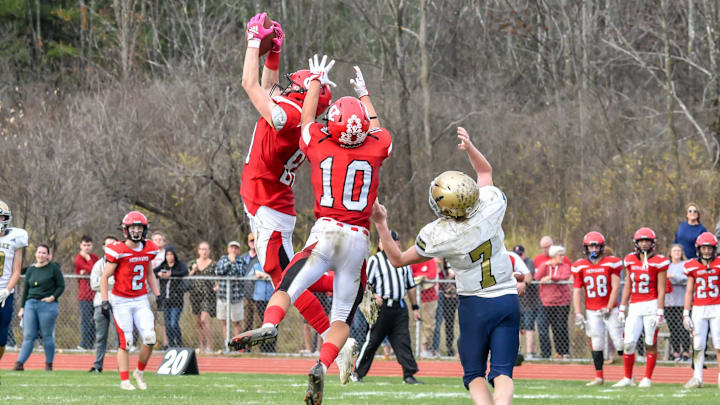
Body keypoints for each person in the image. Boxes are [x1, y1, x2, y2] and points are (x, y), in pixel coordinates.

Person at [233, 55, 391, 403]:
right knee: (341, 321)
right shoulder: (377, 146)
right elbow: (378, 131)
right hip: (358, 240)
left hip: (324, 231)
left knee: (286, 283)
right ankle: (322, 362)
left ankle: (272, 324)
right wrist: (365, 96)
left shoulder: (319, 141)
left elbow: (305, 118)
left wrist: (317, 78)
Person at [371, 126, 521, 405]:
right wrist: (470, 148)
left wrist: (381, 224)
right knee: (503, 374)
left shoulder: (440, 236)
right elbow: (485, 173)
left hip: (475, 305)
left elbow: (398, 259)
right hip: (507, 299)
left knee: (474, 375)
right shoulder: (491, 205)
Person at [239, 13, 335, 343]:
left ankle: (333, 338)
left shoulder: (292, 115)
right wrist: (274, 51)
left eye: (296, 82)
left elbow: (250, 85)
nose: (289, 82)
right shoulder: (294, 110)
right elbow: (267, 87)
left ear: (303, 92)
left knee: (287, 280)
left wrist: (254, 42)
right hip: (269, 200)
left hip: (268, 204)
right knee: (291, 275)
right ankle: (351, 285)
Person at [351, 230, 423, 384]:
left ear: (397, 243)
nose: (388, 244)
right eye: (384, 241)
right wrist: (374, 295)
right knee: (373, 341)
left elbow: (410, 286)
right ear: (380, 244)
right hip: (381, 308)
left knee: (403, 341)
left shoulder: (404, 261)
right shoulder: (375, 260)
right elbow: (365, 282)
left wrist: (415, 307)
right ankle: (357, 372)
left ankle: (408, 375)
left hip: (399, 307)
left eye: (392, 241)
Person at [100, 211, 160, 390]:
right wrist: (104, 300)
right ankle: (124, 380)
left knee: (150, 338)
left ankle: (139, 372)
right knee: (125, 341)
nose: (136, 230)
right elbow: (104, 277)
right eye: (133, 227)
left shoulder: (149, 248)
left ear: (145, 229)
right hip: (121, 301)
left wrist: (157, 294)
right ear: (126, 229)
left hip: (141, 299)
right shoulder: (118, 250)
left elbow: (149, 273)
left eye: (139, 227)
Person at [613, 227, 669, 388]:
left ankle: (647, 378)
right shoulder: (630, 259)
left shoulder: (659, 261)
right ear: (636, 243)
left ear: (653, 243)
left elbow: (661, 288)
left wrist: (660, 311)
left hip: (651, 305)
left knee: (650, 342)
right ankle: (628, 377)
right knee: (628, 342)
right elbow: (628, 286)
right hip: (635, 305)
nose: (644, 244)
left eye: (647, 241)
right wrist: (622, 307)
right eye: (641, 241)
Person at [571, 232, 624, 386]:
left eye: (596, 245)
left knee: (620, 343)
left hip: (610, 309)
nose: (593, 248)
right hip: (592, 310)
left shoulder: (611, 263)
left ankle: (629, 376)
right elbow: (577, 290)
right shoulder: (580, 265)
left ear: (602, 247)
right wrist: (578, 313)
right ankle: (599, 377)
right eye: (591, 245)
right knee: (596, 342)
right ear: (585, 247)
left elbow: (615, 288)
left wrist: (609, 307)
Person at [13, 244, 64, 371]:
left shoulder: (53, 268)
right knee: (29, 335)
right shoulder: (31, 269)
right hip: (30, 304)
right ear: (35, 254)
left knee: (47, 335)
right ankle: (19, 363)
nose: (41, 255)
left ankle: (48, 364)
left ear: (48, 255)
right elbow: (26, 289)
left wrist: (52, 297)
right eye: (39, 252)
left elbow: (61, 286)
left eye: (44, 253)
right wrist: (22, 307)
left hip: (47, 305)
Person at [682, 232, 720, 389]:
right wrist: (686, 313)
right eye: (704, 248)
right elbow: (689, 291)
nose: (707, 251)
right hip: (698, 308)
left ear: (714, 248)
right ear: (698, 249)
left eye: (709, 248)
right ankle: (697, 377)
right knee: (698, 344)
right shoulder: (692, 266)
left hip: (717, 307)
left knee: (719, 344)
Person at [533, 236, 570, 358]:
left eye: (563, 255)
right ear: (554, 256)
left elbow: (564, 276)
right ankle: (550, 354)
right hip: (547, 301)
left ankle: (563, 352)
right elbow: (537, 277)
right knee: (547, 328)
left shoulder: (565, 265)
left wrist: (551, 278)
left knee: (560, 327)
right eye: (560, 255)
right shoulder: (546, 265)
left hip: (562, 302)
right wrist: (545, 265)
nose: (562, 257)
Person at [0, 200, 27, 363]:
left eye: (1, 217)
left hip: (5, 293)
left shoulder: (16, 238)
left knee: (2, 338)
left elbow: (16, 271)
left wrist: (5, 291)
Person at [89, 235, 119, 372]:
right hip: (100, 304)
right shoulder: (98, 265)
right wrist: (110, 281)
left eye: (113, 245)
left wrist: (104, 280)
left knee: (120, 337)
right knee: (100, 337)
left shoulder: (122, 263)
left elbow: (123, 283)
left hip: (118, 304)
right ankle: (97, 366)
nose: (110, 247)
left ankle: (121, 366)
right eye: (108, 245)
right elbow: (94, 284)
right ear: (103, 247)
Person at [154, 246, 188, 348]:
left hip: (177, 300)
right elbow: (153, 272)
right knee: (168, 324)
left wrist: (171, 274)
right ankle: (171, 345)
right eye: (167, 254)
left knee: (174, 323)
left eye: (171, 254)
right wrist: (159, 274)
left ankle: (179, 343)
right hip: (165, 300)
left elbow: (185, 272)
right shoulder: (163, 265)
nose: (169, 257)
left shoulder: (179, 265)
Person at [215, 241, 247, 344]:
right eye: (232, 248)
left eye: (236, 248)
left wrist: (233, 263)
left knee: (236, 323)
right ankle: (227, 344)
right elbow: (218, 271)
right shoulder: (223, 259)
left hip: (236, 298)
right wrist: (230, 263)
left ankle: (236, 345)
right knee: (224, 322)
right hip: (223, 296)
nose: (233, 250)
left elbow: (239, 274)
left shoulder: (241, 260)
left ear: (239, 250)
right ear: (228, 249)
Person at [188, 241, 216, 353]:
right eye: (202, 249)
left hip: (208, 296)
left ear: (209, 251)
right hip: (194, 296)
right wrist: (193, 270)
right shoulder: (192, 263)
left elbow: (218, 277)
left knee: (205, 319)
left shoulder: (213, 264)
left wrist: (217, 286)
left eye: (206, 249)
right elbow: (186, 277)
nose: (204, 251)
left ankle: (209, 346)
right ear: (198, 251)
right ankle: (201, 345)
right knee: (198, 322)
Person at [513, 245, 540, 360]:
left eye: (520, 254)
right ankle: (517, 351)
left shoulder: (528, 262)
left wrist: (520, 279)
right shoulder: (513, 262)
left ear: (524, 254)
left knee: (529, 327)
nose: (519, 257)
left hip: (529, 302)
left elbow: (528, 276)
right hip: (517, 301)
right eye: (517, 254)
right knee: (517, 328)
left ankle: (530, 352)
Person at [666, 244, 690, 362]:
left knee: (683, 328)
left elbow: (686, 279)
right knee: (673, 329)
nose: (677, 252)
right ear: (670, 253)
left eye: (679, 250)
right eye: (674, 250)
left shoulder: (685, 265)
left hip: (682, 301)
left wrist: (673, 277)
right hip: (669, 302)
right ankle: (675, 352)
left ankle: (685, 352)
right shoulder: (667, 266)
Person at [410, 258, 439, 358]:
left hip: (429, 298)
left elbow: (431, 275)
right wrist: (420, 276)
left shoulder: (430, 260)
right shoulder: (413, 259)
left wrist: (421, 277)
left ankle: (424, 349)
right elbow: (409, 274)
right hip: (414, 298)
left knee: (428, 324)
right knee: (414, 323)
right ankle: (413, 348)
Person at [431, 257, 458, 357]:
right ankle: (434, 348)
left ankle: (449, 347)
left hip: (453, 297)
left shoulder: (454, 261)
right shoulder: (439, 263)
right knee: (436, 323)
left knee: (450, 323)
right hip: (441, 296)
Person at [75, 235, 98, 350]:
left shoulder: (95, 257)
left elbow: (96, 270)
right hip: (84, 295)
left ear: (92, 245)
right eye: (84, 245)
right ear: (81, 246)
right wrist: (89, 261)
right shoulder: (79, 258)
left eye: (89, 245)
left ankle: (91, 344)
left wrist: (89, 262)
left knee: (95, 320)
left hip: (96, 294)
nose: (87, 247)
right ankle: (84, 343)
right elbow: (93, 269)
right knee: (86, 320)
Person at [150, 231, 168, 350]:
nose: (158, 242)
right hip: (148, 290)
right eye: (155, 239)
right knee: (151, 319)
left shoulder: (167, 254)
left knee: (162, 318)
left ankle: (166, 342)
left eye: (160, 239)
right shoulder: (149, 253)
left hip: (162, 289)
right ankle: (152, 342)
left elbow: (167, 267)